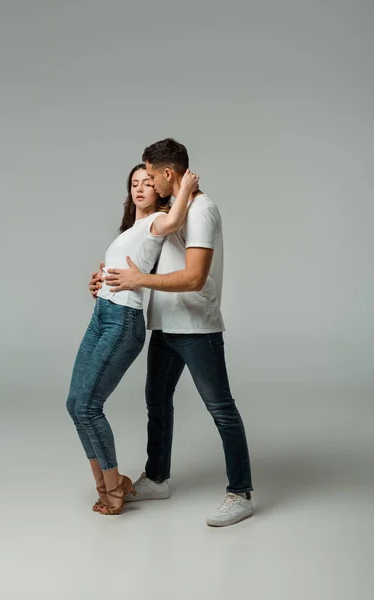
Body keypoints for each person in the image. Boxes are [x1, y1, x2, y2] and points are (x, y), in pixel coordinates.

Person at [90, 138, 254, 527]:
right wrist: (109, 279)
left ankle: (241, 493)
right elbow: (140, 257)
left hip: (197, 327)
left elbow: (195, 277)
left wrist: (139, 279)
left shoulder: (201, 210)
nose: (148, 182)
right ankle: (158, 478)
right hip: (163, 324)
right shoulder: (172, 211)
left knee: (221, 409)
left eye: (151, 175)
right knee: (157, 404)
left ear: (168, 173)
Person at [67, 162, 199, 516]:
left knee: (88, 406)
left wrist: (185, 185)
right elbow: (118, 270)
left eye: (147, 183)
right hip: (102, 315)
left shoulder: (157, 220)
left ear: (158, 188)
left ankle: (112, 491)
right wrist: (99, 280)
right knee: (74, 403)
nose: (139, 189)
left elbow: (173, 221)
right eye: (134, 184)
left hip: (123, 322)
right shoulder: (133, 227)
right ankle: (108, 484)